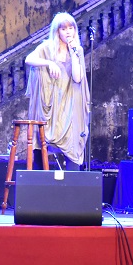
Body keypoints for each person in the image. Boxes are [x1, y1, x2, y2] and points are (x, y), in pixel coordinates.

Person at [25, 12, 90, 170]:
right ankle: (40, 178)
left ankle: (73, 180)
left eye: (71, 28)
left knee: (74, 141)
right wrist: (49, 63)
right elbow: (29, 59)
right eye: (63, 29)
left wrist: (74, 54)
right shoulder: (46, 47)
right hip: (50, 103)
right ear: (57, 31)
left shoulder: (77, 50)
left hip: (69, 102)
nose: (68, 32)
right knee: (40, 143)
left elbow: (77, 78)